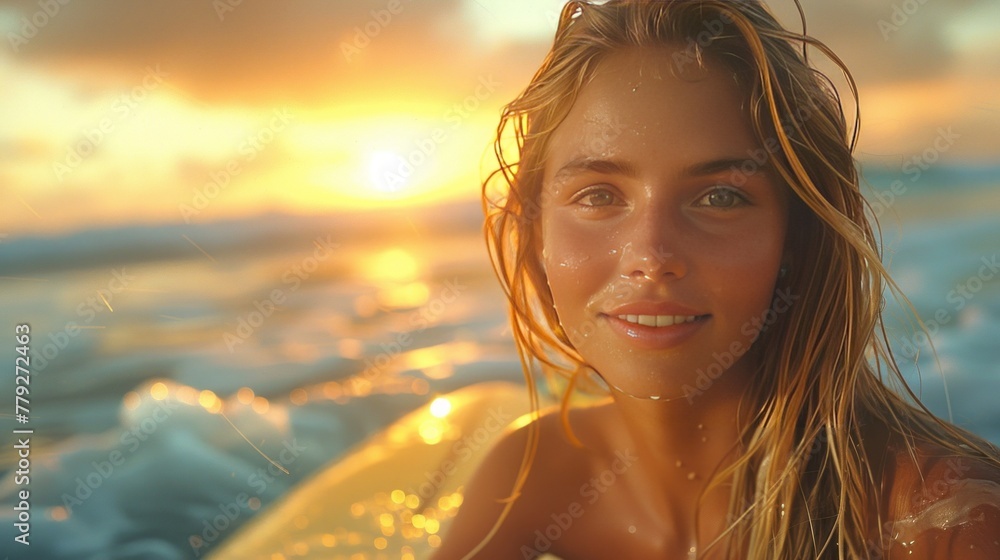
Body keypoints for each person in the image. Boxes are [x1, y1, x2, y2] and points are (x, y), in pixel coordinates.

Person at [431, 1, 1000, 558]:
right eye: (598, 195)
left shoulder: (944, 521)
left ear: (797, 239)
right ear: (535, 232)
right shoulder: (536, 472)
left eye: (720, 196)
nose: (651, 256)